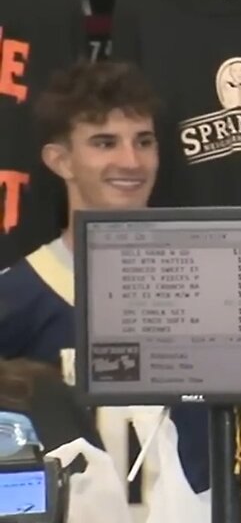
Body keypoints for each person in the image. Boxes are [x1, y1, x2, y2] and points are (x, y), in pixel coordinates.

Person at [0, 60, 160, 364]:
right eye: (105, 143)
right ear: (61, 161)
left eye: (144, 142)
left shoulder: (208, 287)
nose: (132, 161)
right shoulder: (14, 298)